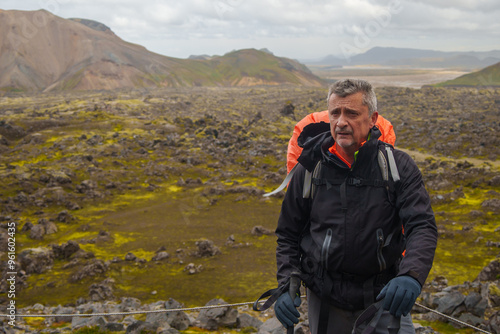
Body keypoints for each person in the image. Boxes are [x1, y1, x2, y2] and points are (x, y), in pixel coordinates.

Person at [273, 79, 438, 334]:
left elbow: (421, 225)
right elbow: (288, 233)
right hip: (325, 299)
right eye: (335, 113)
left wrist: (411, 275)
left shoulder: (398, 166)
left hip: (383, 297)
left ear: (372, 118)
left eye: (351, 113)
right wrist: (287, 282)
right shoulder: (309, 168)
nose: (341, 122)